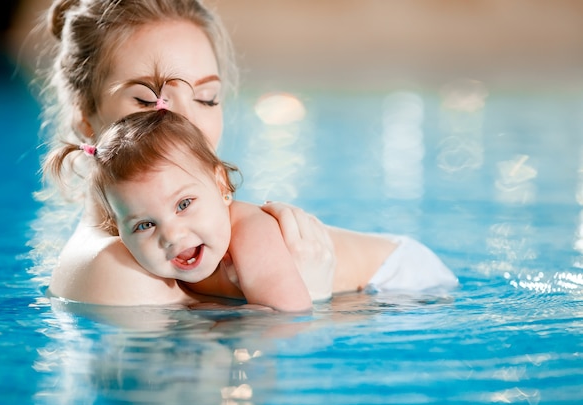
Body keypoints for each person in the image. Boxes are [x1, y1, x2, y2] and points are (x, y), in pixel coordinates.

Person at [37, 0, 337, 306]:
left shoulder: (229, 232)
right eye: (149, 102)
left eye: (207, 99)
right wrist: (315, 295)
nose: (186, 124)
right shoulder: (114, 271)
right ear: (85, 117)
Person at [51, 108, 458, 312]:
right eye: (143, 223)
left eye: (185, 204)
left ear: (222, 186)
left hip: (402, 275)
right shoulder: (175, 259)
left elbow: (289, 320)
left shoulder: (250, 234)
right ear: (116, 230)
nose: (171, 235)